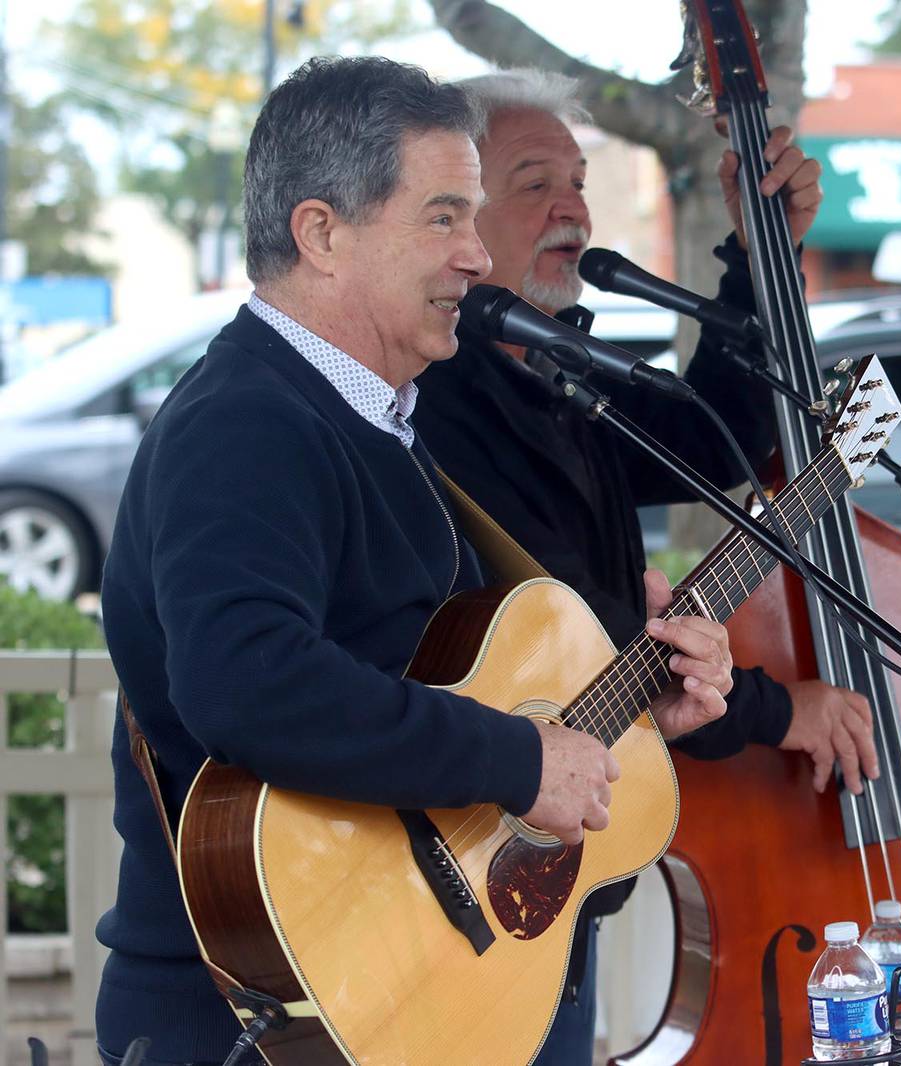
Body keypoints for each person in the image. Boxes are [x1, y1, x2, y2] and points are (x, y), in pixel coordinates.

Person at [93, 56, 736, 1066]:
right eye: (443, 216)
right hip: (270, 1006)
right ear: (322, 233)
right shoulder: (248, 424)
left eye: (475, 219)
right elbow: (247, 682)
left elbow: (412, 674)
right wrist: (519, 759)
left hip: (408, 984)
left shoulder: (370, 423)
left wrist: (640, 698)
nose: (478, 257)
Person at [409, 69, 880, 1062]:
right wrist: (774, 707)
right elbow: (585, 647)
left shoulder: (552, 375)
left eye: (579, 179)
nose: (573, 205)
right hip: (441, 884)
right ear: (447, 208)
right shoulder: (432, 400)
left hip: (543, 880)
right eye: (535, 179)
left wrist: (762, 257)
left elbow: (711, 445)